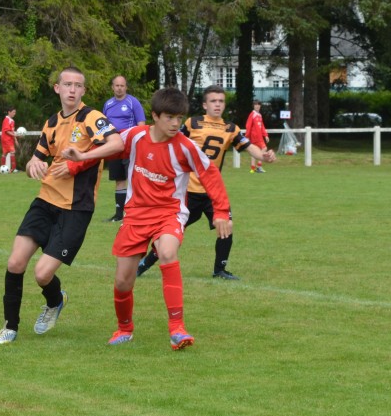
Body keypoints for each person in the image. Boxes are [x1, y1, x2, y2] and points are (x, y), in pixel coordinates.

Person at [65, 87, 232, 350]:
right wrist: (76, 163)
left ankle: (177, 329)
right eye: (169, 117)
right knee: (123, 281)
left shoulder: (185, 147)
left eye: (179, 118)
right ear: (155, 115)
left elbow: (210, 174)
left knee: (167, 252)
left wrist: (221, 212)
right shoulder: (135, 136)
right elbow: (107, 150)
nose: (175, 123)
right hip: (135, 215)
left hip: (169, 213)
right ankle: (124, 329)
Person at [0, 66, 122, 345]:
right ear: (57, 88)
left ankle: (55, 300)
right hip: (45, 200)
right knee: (15, 262)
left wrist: (82, 157)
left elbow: (116, 143)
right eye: (67, 84)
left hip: (76, 208)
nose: (72, 90)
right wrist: (33, 163)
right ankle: (10, 327)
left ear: (83, 90)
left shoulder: (91, 117)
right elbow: (37, 159)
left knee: (42, 274)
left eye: (78, 85)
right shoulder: (51, 122)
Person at [135, 85, 276, 280]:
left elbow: (249, 147)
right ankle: (143, 264)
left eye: (221, 101)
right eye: (213, 101)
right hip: (188, 191)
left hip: (212, 192)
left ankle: (220, 270)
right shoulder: (192, 123)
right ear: (204, 105)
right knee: (170, 234)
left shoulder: (230, 128)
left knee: (226, 226)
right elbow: (171, 140)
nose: (217, 105)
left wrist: (264, 156)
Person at [102, 75, 146, 220]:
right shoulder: (108, 104)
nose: (119, 88)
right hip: (114, 147)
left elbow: (141, 125)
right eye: (117, 85)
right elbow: (103, 125)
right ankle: (119, 214)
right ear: (112, 87)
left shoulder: (133, 102)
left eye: (122, 85)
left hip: (129, 147)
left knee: (134, 179)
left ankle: (135, 213)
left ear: (126, 87)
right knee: (119, 179)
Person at [245, 99, 269, 173]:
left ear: (260, 106)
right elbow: (248, 125)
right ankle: (259, 166)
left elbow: (262, 126)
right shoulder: (252, 114)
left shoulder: (259, 115)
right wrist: (247, 136)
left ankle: (252, 168)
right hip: (256, 137)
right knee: (264, 148)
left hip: (259, 136)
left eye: (258, 104)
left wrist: (265, 135)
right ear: (253, 106)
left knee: (254, 151)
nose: (257, 106)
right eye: (256, 104)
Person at [0, 106, 18, 173]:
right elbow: (7, 131)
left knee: (4, 153)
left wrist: (15, 140)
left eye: (15, 112)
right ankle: (13, 169)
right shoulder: (7, 120)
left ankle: (2, 168)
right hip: (6, 139)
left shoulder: (12, 121)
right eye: (13, 112)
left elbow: (12, 131)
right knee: (12, 152)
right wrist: (15, 135)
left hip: (9, 139)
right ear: (9, 112)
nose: (14, 114)